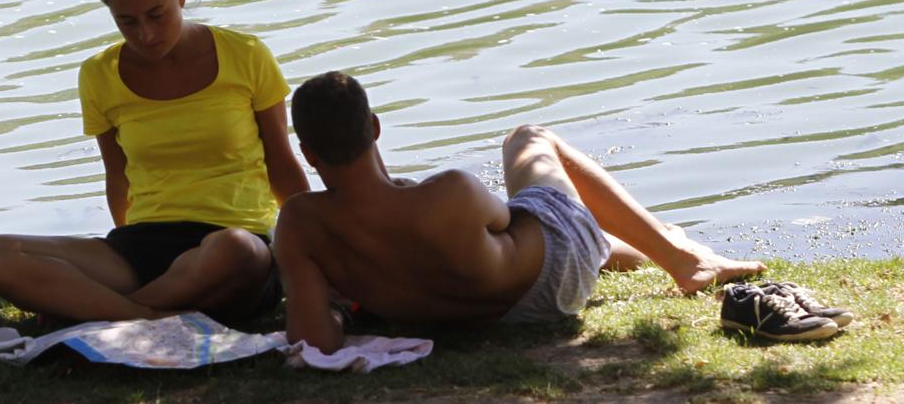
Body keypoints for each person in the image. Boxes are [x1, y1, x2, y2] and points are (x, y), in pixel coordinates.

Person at [275, 71, 767, 353]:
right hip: (549, 283)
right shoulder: (446, 193)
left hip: (460, 321)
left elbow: (313, 341)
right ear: (376, 128)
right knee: (528, 140)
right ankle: (686, 261)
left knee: (533, 230)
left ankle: (643, 250)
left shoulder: (299, 226)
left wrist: (338, 297)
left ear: (308, 153)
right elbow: (515, 218)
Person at [0, 0, 310, 323]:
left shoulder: (246, 55)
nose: (145, 34)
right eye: (127, 22)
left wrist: (313, 252)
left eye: (156, 15)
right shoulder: (98, 74)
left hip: (230, 241)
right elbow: (117, 177)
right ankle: (151, 316)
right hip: (140, 246)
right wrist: (119, 247)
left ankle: (108, 311)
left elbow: (282, 162)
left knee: (237, 250)